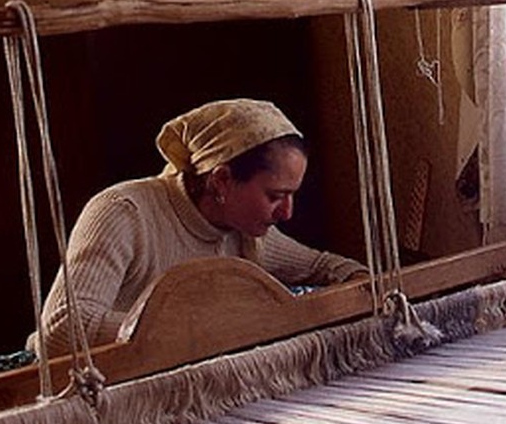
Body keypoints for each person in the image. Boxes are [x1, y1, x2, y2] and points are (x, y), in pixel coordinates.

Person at [31, 98, 367, 358]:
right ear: (222, 180)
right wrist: (203, 330)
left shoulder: (245, 234)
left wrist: (364, 291)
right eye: (276, 195)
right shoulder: (124, 213)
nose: (287, 213)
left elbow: (325, 267)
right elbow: (61, 329)